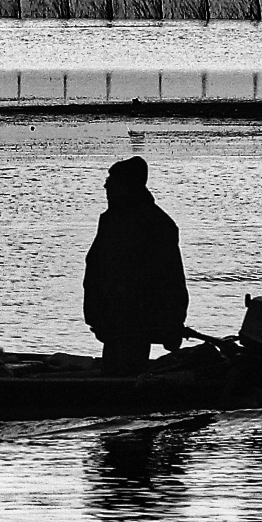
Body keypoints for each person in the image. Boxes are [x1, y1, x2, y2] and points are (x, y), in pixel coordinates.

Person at [83, 156, 188, 377]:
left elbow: (171, 278)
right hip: (113, 320)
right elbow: (96, 269)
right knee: (116, 374)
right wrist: (96, 314)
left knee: (124, 376)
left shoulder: (155, 224)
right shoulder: (114, 220)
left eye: (111, 181)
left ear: (126, 186)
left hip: (135, 321)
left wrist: (172, 322)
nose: (106, 186)